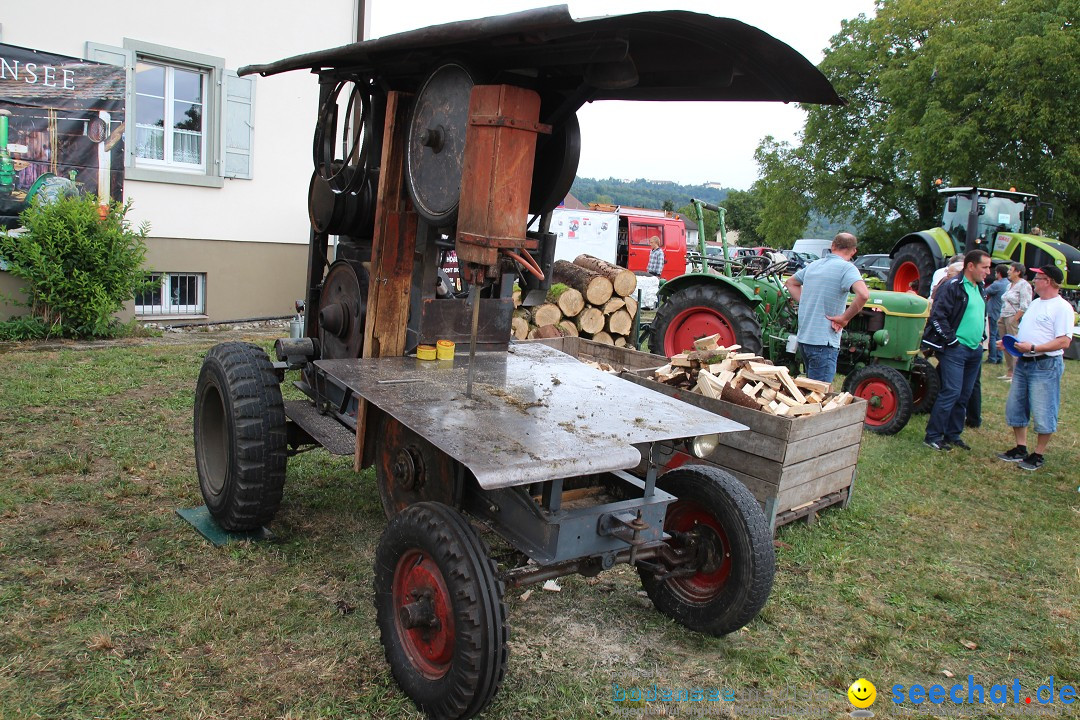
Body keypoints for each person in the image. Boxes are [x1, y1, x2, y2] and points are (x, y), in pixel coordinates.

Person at [995, 265, 1073, 470]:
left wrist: (1035, 347)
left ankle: (1038, 454)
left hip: (1045, 365)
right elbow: (1027, 333)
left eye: (1037, 278)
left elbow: (1064, 341)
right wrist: (1012, 344)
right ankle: (1020, 448)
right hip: (1025, 363)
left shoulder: (1062, 307)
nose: (1033, 281)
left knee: (1043, 409)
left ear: (1048, 281)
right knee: (1016, 407)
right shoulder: (1037, 303)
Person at [921, 250, 992, 451]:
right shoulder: (953, 287)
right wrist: (952, 342)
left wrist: (981, 340)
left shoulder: (980, 289)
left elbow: (980, 315)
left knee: (964, 394)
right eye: (984, 267)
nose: (988, 271)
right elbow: (937, 316)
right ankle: (933, 435)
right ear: (971, 266)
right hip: (956, 349)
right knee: (951, 391)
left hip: (973, 349)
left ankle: (953, 434)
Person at [783, 232, 869, 383]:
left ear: (833, 246)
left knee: (810, 390)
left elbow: (791, 283)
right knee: (819, 396)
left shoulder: (813, 265)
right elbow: (863, 295)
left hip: (805, 340)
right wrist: (844, 318)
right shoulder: (847, 268)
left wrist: (807, 302)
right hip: (824, 342)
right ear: (854, 250)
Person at [997, 262, 1033, 381]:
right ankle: (1009, 372)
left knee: (1014, 344)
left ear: (1018, 272)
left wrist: (1015, 318)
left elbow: (1025, 304)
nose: (1008, 272)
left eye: (1011, 270)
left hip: (1013, 317)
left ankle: (1017, 373)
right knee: (1005, 344)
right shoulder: (1009, 285)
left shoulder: (1024, 285)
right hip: (1003, 316)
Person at [984, 265, 1009, 364]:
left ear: (998, 273)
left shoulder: (997, 284)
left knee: (992, 335)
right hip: (1002, 312)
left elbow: (985, 292)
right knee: (1000, 336)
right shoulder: (1008, 284)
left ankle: (992, 357)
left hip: (993, 312)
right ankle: (999, 357)